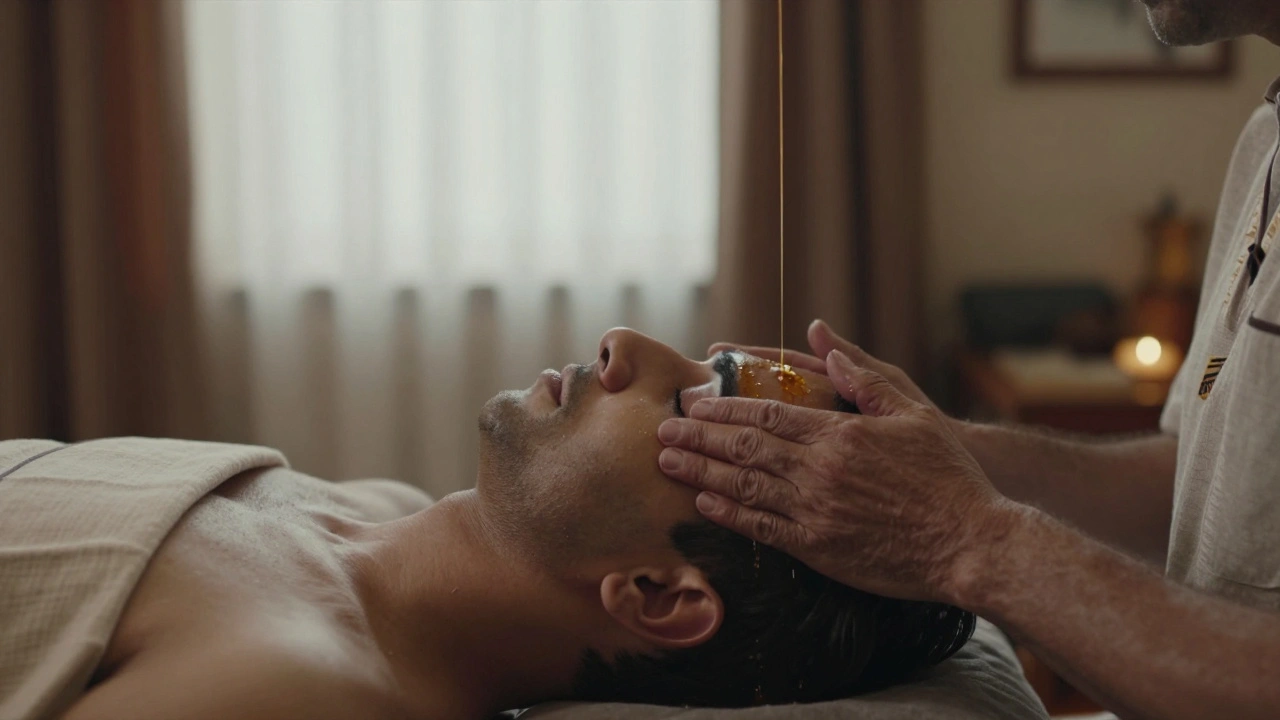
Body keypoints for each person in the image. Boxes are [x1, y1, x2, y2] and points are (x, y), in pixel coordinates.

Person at [656, 4, 1280, 719]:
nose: (617, 348)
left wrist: (963, 538)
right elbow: (1196, 487)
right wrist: (945, 448)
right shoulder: (1265, 142)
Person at [1, 329, 977, 720]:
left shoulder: (292, 686)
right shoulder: (370, 510)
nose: (624, 344)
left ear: (658, 595)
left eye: (703, 399)